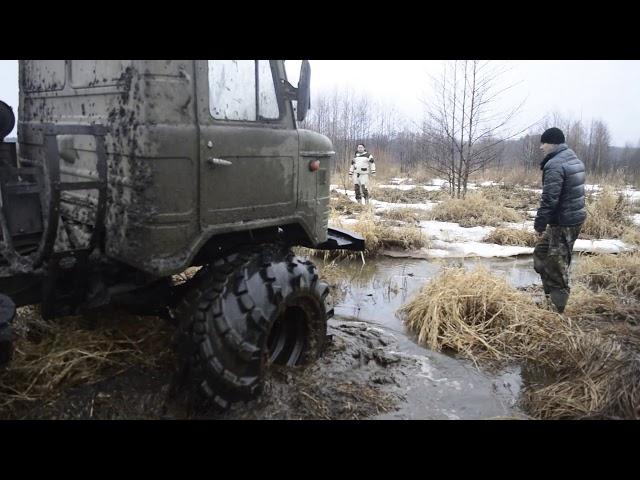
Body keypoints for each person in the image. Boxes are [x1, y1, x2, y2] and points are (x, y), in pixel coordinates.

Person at [533, 127, 587, 313]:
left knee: (557, 265)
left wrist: (539, 224)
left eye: (544, 143)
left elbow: (549, 199)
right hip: (568, 219)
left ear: (553, 143)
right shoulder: (572, 158)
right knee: (541, 254)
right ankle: (550, 299)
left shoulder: (555, 164)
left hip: (564, 223)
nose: (541, 147)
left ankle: (557, 311)